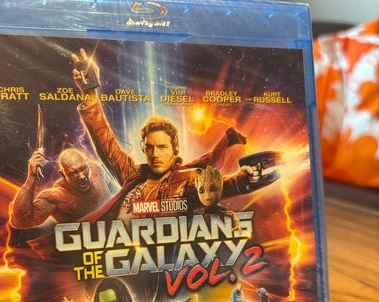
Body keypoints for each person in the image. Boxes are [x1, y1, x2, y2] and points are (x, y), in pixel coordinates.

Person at [71, 48, 258, 224]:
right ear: (143, 149)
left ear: (175, 150)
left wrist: (242, 180)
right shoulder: (133, 176)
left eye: (162, 147)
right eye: (149, 147)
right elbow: (106, 143)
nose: (155, 154)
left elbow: (215, 186)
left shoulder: (187, 179)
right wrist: (90, 94)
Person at [9, 147, 114, 229]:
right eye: (73, 173)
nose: (82, 176)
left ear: (87, 163)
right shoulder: (55, 197)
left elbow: (117, 191)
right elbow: (19, 222)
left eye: (83, 168)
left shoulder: (96, 169)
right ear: (63, 174)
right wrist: (31, 178)